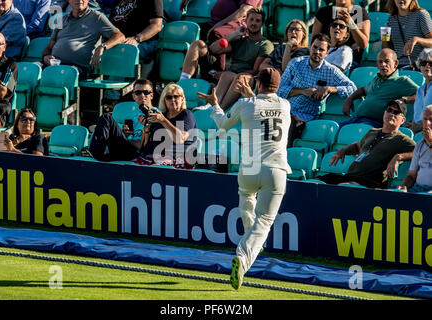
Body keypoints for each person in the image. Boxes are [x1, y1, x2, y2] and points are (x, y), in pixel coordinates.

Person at [197, 68, 291, 290]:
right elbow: (265, 107)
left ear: (258, 85)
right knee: (265, 221)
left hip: (249, 169)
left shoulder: (247, 105)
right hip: (275, 170)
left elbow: (222, 123)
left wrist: (214, 103)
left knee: (246, 196)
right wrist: (253, 95)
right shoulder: (285, 105)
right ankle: (244, 255)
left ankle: (252, 243)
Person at [89, 80, 197, 167]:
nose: (172, 100)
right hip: (146, 154)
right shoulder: (155, 117)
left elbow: (180, 138)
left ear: (182, 99)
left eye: (176, 97)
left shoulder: (163, 115)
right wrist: (144, 129)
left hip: (151, 156)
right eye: (169, 97)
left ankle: (95, 157)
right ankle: (94, 158)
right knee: (106, 119)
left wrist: (162, 120)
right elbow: (145, 145)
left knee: (107, 118)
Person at [185, 7, 273, 111]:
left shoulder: (266, 44)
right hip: (230, 75)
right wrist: (235, 34)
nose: (254, 23)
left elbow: (255, 70)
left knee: (233, 75)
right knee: (227, 74)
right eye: (251, 20)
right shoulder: (240, 40)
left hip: (248, 78)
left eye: (257, 21)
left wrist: (228, 74)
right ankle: (211, 105)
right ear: (245, 22)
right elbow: (213, 49)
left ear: (262, 24)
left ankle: (217, 108)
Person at [277, 33, 357, 146]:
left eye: (321, 49)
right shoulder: (295, 63)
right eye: (315, 47)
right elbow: (280, 90)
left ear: (327, 53)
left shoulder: (331, 71)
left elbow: (352, 88)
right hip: (285, 110)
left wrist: (330, 89)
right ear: (310, 46)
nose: (317, 52)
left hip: (305, 116)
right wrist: (302, 91)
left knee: (291, 125)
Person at [317, 100, 416, 188]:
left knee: (343, 188)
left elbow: (420, 151)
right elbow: (357, 146)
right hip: (350, 177)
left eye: (396, 112)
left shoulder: (402, 139)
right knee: (315, 182)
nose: (391, 114)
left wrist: (399, 157)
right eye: (389, 110)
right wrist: (343, 150)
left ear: (402, 120)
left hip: (371, 182)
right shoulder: (372, 131)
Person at [179, 1, 263, 81]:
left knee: (216, 33)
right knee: (191, 35)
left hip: (235, 24)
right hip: (215, 22)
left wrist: (219, 24)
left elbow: (244, 10)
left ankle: (216, 74)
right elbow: (212, 48)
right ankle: (184, 82)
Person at [42, 0, 125, 79]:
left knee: (62, 74)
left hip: (77, 68)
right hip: (55, 66)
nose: (80, 0)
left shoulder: (97, 17)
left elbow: (120, 36)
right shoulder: (60, 19)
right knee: (32, 69)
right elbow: (49, 47)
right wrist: (45, 57)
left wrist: (102, 46)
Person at [341, 48, 419, 128]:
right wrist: (349, 99)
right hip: (358, 119)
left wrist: (405, 99)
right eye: (380, 62)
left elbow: (422, 93)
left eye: (387, 61)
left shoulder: (401, 81)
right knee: (332, 129)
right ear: (377, 65)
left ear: (395, 63)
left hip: (374, 124)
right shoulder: (376, 78)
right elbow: (363, 90)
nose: (383, 64)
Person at [108, 0, 163, 77]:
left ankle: (117, 87)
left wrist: (136, 38)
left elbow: (156, 25)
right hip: (120, 41)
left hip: (144, 41)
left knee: (124, 51)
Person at [312, 0, 370, 65]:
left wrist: (350, 23)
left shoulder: (358, 12)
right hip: (324, 56)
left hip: (349, 59)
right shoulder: (324, 12)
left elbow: (363, 44)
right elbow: (314, 40)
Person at [383, 0, 432, 69]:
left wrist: (417, 39)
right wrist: (384, 38)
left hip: (419, 65)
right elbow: (385, 48)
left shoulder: (421, 14)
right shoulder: (391, 18)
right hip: (398, 66)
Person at [397, 105, 432, 193]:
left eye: (431, 119)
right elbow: (411, 176)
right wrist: (403, 187)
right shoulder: (420, 144)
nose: (427, 123)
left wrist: (430, 142)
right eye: (425, 119)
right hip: (418, 189)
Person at [406, 48, 432, 133]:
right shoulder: (420, 90)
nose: (427, 66)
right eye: (423, 63)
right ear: (419, 66)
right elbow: (417, 116)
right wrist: (413, 124)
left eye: (431, 63)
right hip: (418, 132)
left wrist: (417, 127)